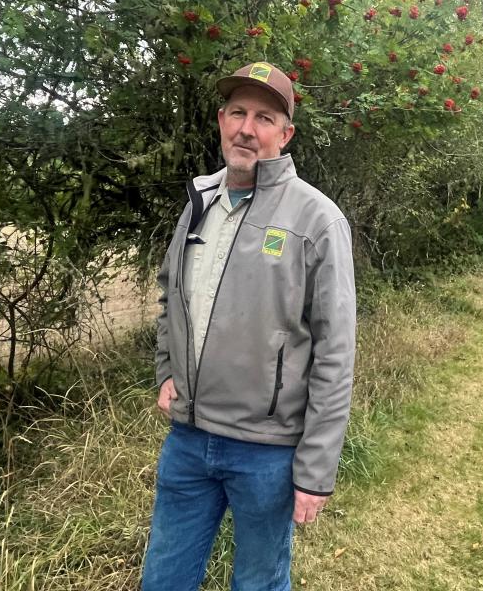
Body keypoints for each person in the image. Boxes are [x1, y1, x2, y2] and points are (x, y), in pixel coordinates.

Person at [142, 61, 356, 591]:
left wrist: (315, 468)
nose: (246, 128)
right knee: (163, 579)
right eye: (237, 112)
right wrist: (167, 371)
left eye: (264, 117)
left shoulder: (317, 220)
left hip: (268, 452)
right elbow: (172, 297)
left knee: (259, 583)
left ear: (286, 135)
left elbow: (335, 350)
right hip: (188, 440)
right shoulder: (199, 203)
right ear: (220, 119)